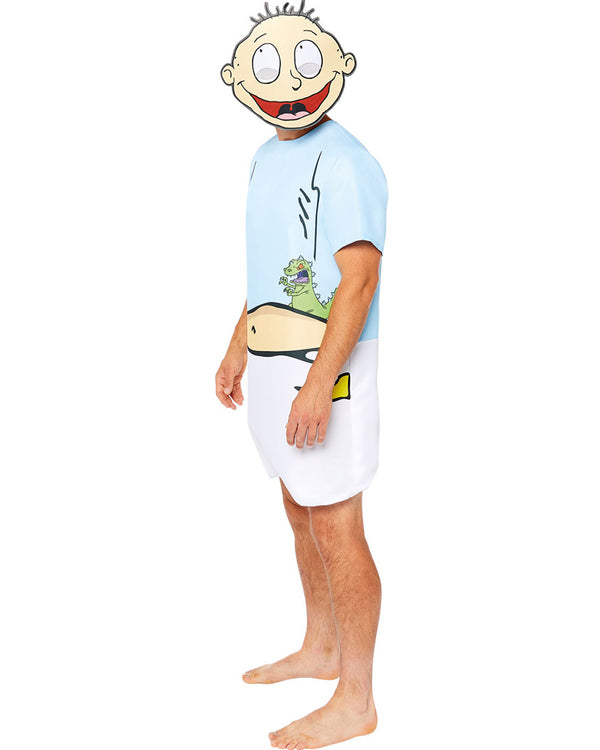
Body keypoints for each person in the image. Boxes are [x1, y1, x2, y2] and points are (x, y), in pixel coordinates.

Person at [215, 5, 388, 748]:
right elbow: (274, 267)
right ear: (240, 79)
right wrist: (237, 345)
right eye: (267, 65)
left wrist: (320, 383)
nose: (287, 83)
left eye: (304, 63)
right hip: (274, 361)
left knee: (336, 521)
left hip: (329, 370)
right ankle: (322, 647)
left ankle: (358, 698)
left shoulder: (346, 162)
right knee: (297, 505)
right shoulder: (265, 157)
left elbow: (358, 279)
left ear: (335, 67)